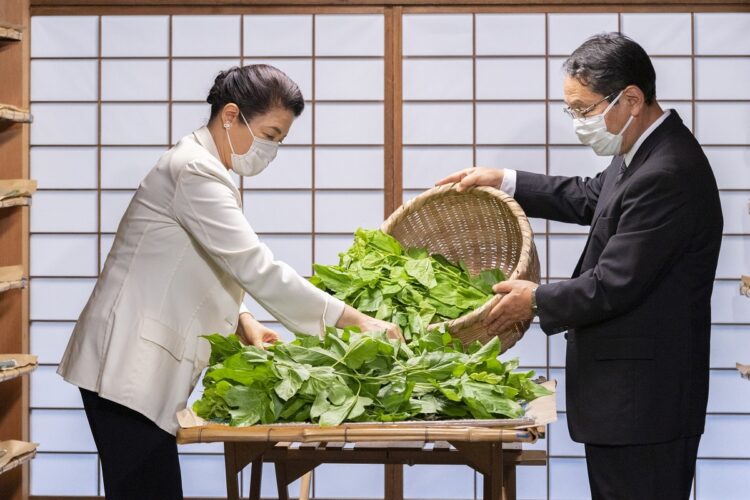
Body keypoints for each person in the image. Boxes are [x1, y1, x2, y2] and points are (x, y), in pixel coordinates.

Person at [57, 65, 401, 500]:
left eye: (280, 140)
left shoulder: (205, 168)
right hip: (127, 364)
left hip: (138, 365)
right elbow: (255, 266)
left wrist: (244, 320)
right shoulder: (195, 171)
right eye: (270, 134)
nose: (272, 149)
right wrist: (353, 321)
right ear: (230, 116)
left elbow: (206, 260)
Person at [437, 33, 722, 500]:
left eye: (583, 109)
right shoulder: (643, 148)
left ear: (631, 99)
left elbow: (613, 284)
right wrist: (506, 180)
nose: (578, 122)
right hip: (632, 400)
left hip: (644, 404)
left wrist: (533, 300)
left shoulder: (668, 170)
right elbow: (592, 197)